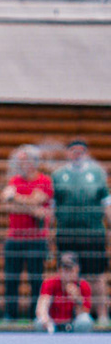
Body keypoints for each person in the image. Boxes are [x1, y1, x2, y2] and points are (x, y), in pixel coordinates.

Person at [51, 138, 109, 325]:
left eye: (81, 150)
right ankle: (69, 315)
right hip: (67, 234)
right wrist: (50, 231)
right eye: (73, 150)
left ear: (86, 153)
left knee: (97, 276)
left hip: (93, 234)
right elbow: (52, 206)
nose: (77, 153)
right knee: (68, 275)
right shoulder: (58, 175)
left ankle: (101, 315)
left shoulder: (97, 173)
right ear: (68, 153)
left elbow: (106, 203)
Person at [0, 144, 53, 323]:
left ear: (34, 162)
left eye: (25, 161)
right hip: (14, 238)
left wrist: (16, 199)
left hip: (36, 239)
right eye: (20, 162)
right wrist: (31, 207)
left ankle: (34, 316)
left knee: (35, 280)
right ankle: (10, 315)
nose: (21, 165)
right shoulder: (14, 180)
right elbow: (6, 203)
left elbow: (39, 199)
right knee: (11, 279)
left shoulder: (44, 181)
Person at [36, 251, 94, 332]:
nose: (67, 273)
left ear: (77, 269)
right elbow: (42, 305)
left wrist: (77, 298)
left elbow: (84, 313)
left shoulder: (83, 285)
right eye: (64, 269)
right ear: (59, 270)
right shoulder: (49, 283)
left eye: (70, 269)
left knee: (85, 321)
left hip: (73, 324)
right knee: (39, 322)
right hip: (53, 324)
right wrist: (45, 319)